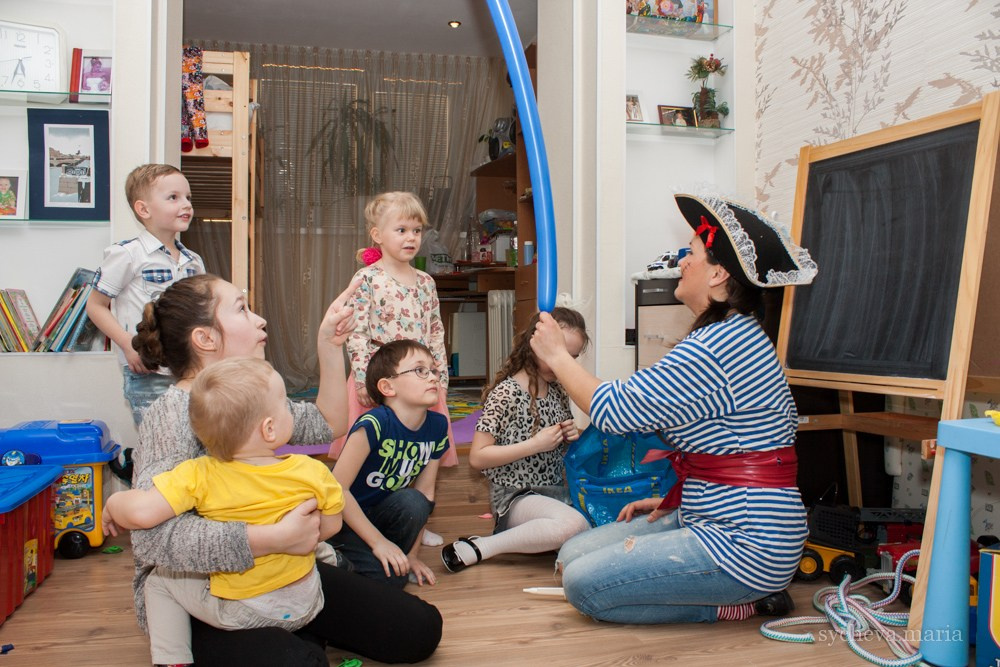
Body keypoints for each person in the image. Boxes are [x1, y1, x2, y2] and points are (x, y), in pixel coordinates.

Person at [530, 192, 819, 625]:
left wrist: (557, 356)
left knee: (583, 585)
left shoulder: (718, 346)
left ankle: (740, 604)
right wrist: (678, 499)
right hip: (712, 514)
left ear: (718, 273)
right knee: (571, 554)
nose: (682, 261)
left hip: (747, 542)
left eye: (692, 252)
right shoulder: (729, 334)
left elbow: (615, 411)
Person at [128, 273, 442, 666]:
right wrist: (272, 537)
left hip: (284, 571)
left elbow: (328, 424)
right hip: (208, 593)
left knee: (420, 629)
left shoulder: (253, 395)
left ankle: (295, 627)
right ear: (205, 338)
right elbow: (152, 541)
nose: (260, 319)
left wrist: (329, 346)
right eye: (242, 309)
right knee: (300, 660)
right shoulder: (172, 415)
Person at [102, 357, 346, 667]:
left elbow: (141, 514)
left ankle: (173, 660)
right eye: (286, 405)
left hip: (243, 611)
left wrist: (113, 504)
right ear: (270, 428)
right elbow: (330, 527)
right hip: (307, 601)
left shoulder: (197, 474)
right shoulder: (313, 471)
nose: (291, 411)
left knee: (159, 581)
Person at [331, 191, 457, 547]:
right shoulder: (367, 278)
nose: (411, 238)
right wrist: (362, 378)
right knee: (379, 451)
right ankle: (361, 518)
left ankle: (414, 520)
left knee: (416, 452)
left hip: (419, 380)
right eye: (401, 230)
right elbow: (357, 332)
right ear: (378, 235)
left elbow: (435, 332)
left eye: (416, 230)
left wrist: (440, 378)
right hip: (379, 380)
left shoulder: (426, 282)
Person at [440, 307, 592, 573]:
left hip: (555, 491)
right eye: (558, 353)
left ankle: (548, 541)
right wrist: (535, 445)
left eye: (572, 357)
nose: (563, 363)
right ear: (535, 345)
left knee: (599, 520)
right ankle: (482, 546)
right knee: (574, 525)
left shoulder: (558, 389)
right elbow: (477, 457)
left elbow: (560, 447)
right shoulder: (506, 393)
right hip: (516, 496)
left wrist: (570, 436)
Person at [86, 163, 205, 426]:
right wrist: (128, 344)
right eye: (173, 197)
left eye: (188, 197)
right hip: (148, 373)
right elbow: (95, 306)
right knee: (159, 441)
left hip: (189, 371)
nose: (186, 204)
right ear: (143, 209)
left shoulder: (194, 261)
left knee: (193, 441)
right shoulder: (127, 254)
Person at [331, 339, 448, 588]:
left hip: (384, 516)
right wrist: (378, 543)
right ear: (387, 386)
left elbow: (425, 495)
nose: (433, 377)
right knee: (391, 581)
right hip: (343, 522)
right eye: (420, 370)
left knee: (414, 501)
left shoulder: (438, 426)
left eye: (433, 370)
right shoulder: (374, 424)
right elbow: (337, 489)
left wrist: (412, 555)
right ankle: (332, 556)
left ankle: (381, 556)